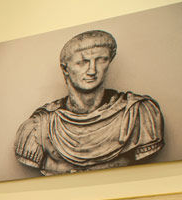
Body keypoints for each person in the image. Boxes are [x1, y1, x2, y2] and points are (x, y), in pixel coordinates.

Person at [15, 30, 163, 175]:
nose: (92, 70)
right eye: (82, 62)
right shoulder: (40, 126)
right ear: (65, 69)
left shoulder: (137, 114)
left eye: (101, 60)